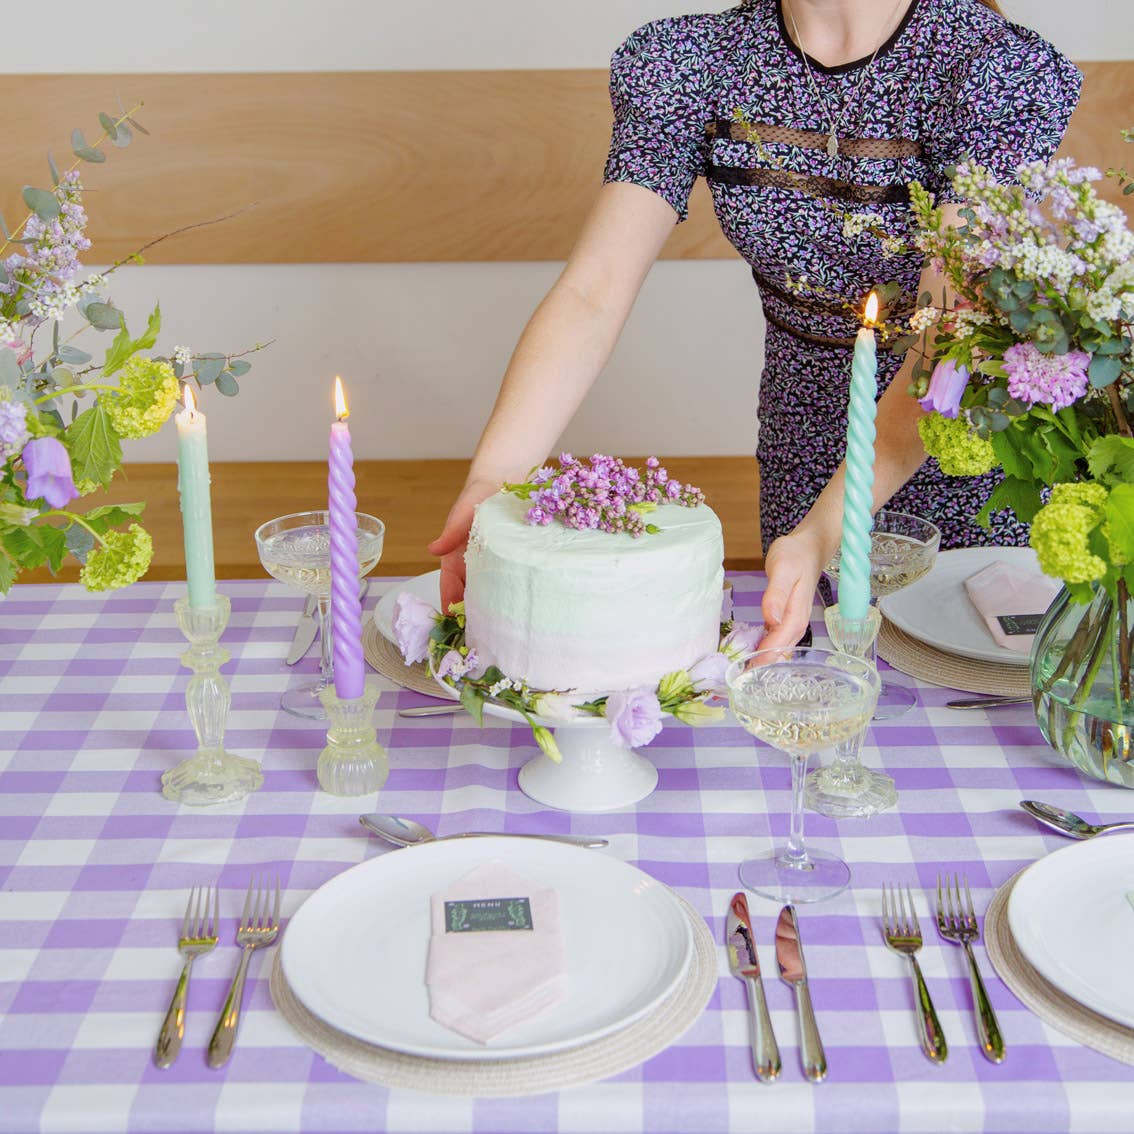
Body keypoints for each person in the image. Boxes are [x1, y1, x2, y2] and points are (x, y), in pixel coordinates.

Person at [429, 0, 1081, 649]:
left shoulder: (996, 71)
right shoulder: (689, 61)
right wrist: (493, 478)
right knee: (817, 691)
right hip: (802, 445)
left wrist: (830, 529)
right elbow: (592, 294)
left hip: (962, 454)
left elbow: (949, 342)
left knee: (958, 698)